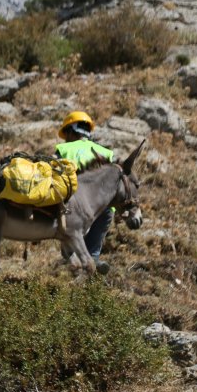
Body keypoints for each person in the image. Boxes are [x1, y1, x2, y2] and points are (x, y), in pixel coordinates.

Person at [55, 110, 114, 274]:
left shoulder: (64, 149)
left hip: (74, 207)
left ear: (71, 131)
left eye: (66, 134)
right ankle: (91, 268)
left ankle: (75, 271)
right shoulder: (106, 153)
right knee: (92, 251)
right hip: (104, 209)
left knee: (72, 248)